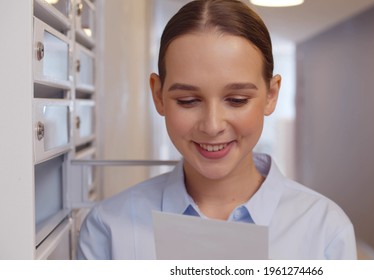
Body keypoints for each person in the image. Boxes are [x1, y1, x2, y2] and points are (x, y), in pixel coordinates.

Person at [77, 0, 356, 260]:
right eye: (188, 101)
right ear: (159, 95)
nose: (212, 126)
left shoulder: (324, 231)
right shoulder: (108, 230)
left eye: (236, 100)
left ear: (271, 95)